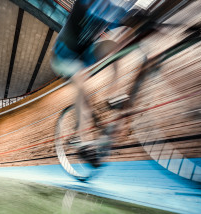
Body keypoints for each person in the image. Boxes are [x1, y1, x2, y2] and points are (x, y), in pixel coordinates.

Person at [51, 0, 143, 167]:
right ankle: (83, 140)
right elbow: (108, 11)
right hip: (62, 57)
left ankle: (112, 96)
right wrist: (128, 15)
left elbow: (127, 25)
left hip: (84, 53)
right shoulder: (85, 2)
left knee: (116, 46)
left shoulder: (111, 8)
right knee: (80, 79)